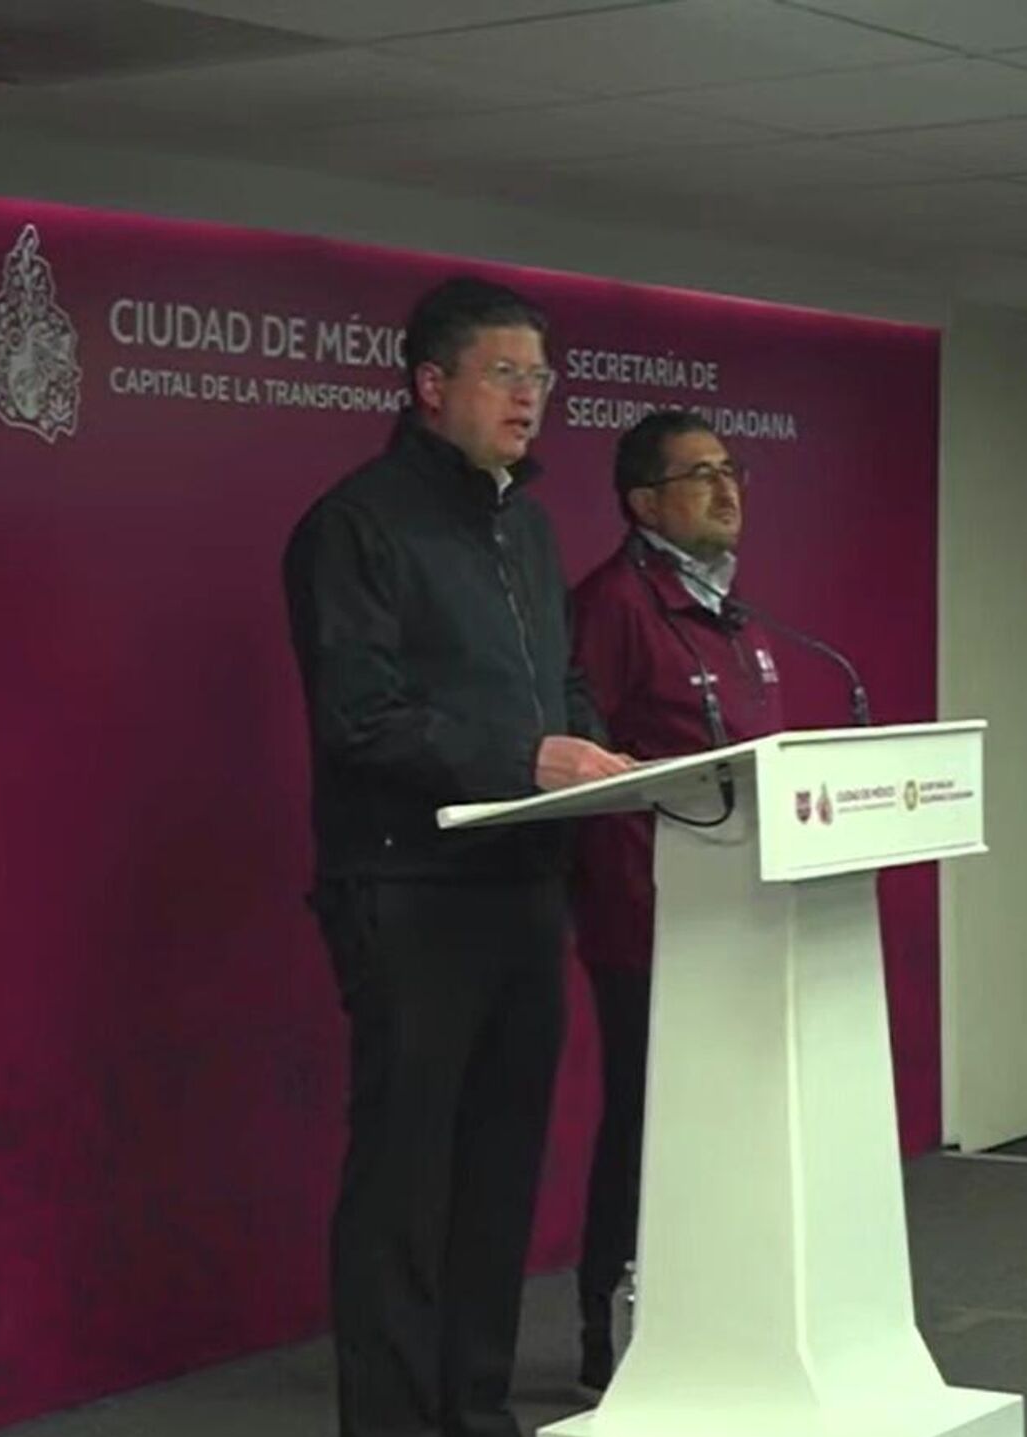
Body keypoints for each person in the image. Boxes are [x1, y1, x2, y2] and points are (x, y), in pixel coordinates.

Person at [282, 275, 634, 1437]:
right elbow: (361, 718)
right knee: (406, 1181)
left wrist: (598, 754)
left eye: (540, 377)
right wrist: (523, 757)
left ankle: (475, 1411)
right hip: (410, 891)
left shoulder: (525, 525)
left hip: (524, 887)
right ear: (431, 385)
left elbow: (559, 682)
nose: (530, 397)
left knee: (499, 1173)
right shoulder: (356, 525)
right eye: (504, 374)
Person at [566, 409, 788, 1394]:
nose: (726, 488)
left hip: (744, 912)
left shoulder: (732, 610)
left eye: (731, 469)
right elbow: (589, 769)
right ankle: (608, 1330)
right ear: (644, 504)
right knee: (647, 1121)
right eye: (700, 474)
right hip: (648, 917)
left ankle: (716, 1317)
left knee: (729, 1123)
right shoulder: (614, 605)